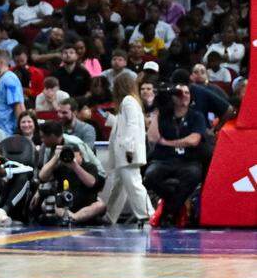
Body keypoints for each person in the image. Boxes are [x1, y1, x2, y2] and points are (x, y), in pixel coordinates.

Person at [144, 83, 206, 226]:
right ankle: (176, 207)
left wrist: (167, 142)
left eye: (187, 93)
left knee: (194, 175)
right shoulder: (164, 116)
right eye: (180, 93)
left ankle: (167, 208)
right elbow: (152, 138)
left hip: (188, 161)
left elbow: (194, 140)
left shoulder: (196, 116)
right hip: (164, 160)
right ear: (173, 97)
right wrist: (157, 110)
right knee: (151, 175)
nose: (184, 96)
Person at [31, 120, 107, 226]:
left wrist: (75, 165)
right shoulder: (51, 151)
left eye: (44, 137)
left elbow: (92, 178)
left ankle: (73, 217)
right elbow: (43, 176)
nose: (42, 140)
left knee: (99, 204)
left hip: (91, 182)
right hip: (66, 195)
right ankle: (73, 217)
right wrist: (56, 157)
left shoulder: (78, 148)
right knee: (50, 203)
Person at [100, 73, 150, 225]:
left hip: (128, 152)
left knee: (134, 184)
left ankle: (148, 215)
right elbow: (123, 125)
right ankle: (109, 216)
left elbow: (132, 126)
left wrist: (129, 148)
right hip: (125, 152)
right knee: (119, 187)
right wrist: (109, 119)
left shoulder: (128, 101)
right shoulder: (130, 102)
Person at [0, 49, 25, 137]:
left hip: (9, 133)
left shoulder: (9, 79)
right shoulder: (2, 79)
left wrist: (21, 131)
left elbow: (18, 105)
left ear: (1, 62)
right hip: (0, 131)